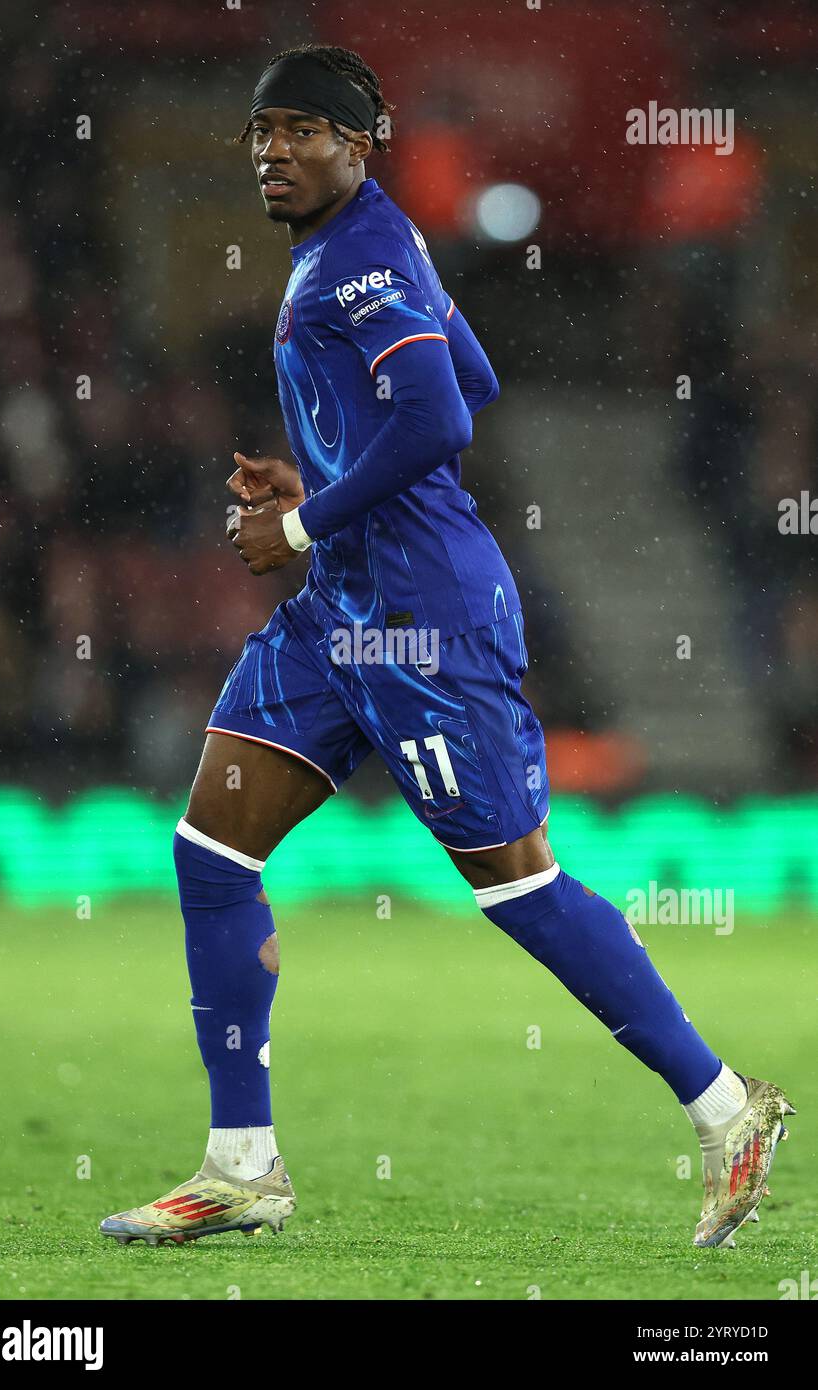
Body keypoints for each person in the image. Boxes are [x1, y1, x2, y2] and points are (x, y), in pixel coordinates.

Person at [100, 45, 793, 1250]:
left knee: (515, 884)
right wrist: (316, 476)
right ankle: (241, 1165)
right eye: (261, 132)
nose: (271, 150)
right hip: (341, 610)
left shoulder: (357, 259)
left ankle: (726, 1107)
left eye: (302, 130)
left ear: (357, 145)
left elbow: (439, 412)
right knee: (211, 844)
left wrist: (307, 515)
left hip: (422, 618)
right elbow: (462, 368)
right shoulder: (376, 239)